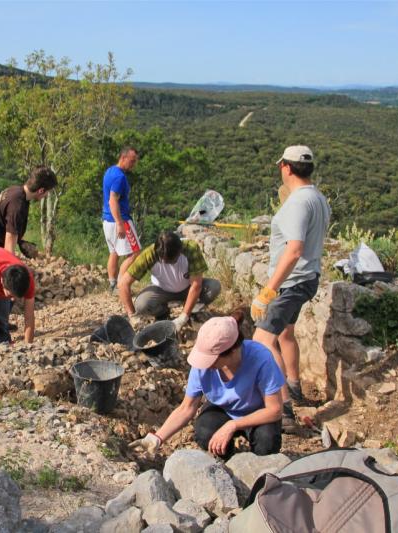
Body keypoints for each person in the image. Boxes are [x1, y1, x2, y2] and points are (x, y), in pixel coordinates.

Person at [251, 145, 330, 430]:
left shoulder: (298, 202)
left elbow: (294, 250)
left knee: (262, 341)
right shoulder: (318, 198)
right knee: (285, 333)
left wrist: (268, 291)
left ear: (286, 167)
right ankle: (294, 386)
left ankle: (284, 409)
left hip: (292, 283)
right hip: (307, 278)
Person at [129, 313, 284, 459]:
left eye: (212, 360)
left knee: (267, 442)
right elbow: (186, 408)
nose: (206, 366)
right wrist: (156, 438)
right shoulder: (202, 366)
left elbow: (274, 410)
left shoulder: (261, 358)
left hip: (257, 413)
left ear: (233, 350)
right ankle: (228, 461)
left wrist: (233, 425)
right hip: (223, 409)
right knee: (204, 432)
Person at [118, 230, 221, 331]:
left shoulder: (191, 249)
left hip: (188, 288)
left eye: (172, 260)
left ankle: (192, 311)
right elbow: (123, 284)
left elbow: (196, 285)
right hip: (162, 290)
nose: (169, 263)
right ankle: (162, 313)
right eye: (165, 260)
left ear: (180, 250)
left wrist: (183, 318)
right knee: (141, 305)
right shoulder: (149, 255)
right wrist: (132, 316)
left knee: (214, 287)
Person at [0, 166, 58, 258]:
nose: (46, 195)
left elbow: (7, 225)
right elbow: (9, 249)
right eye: (47, 192)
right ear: (41, 190)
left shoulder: (16, 191)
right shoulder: (17, 205)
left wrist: (20, 242)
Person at [102, 146, 141, 291]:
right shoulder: (120, 177)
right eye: (131, 161)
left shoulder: (110, 171)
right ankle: (121, 285)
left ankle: (112, 285)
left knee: (114, 252)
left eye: (135, 161)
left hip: (107, 221)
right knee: (135, 253)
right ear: (123, 158)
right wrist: (120, 224)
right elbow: (113, 201)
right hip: (120, 220)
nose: (133, 164)